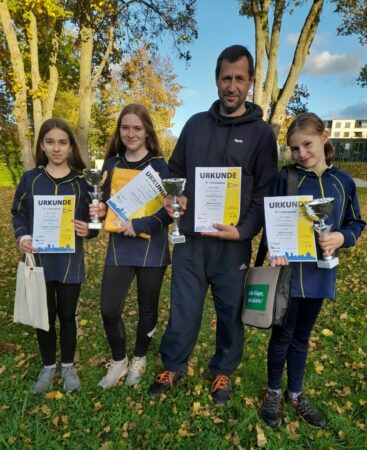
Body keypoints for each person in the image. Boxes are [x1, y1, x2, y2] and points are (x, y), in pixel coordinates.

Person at [148, 45, 278, 405]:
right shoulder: (195, 125)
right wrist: (177, 197)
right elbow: (175, 172)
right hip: (190, 238)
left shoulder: (262, 135)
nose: (231, 86)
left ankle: (223, 370)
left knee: (229, 311)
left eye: (239, 78)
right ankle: (172, 365)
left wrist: (245, 230)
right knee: (183, 306)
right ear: (216, 80)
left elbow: (264, 192)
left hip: (233, 242)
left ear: (250, 82)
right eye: (225, 78)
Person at [259, 112, 366, 428]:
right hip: (288, 275)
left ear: (324, 138)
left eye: (307, 144)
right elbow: (271, 221)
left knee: (302, 337)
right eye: (294, 148)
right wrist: (272, 251)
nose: (301, 153)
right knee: (282, 336)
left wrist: (342, 237)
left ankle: (295, 394)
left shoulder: (343, 182)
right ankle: (273, 393)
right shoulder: (285, 178)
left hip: (320, 274)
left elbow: (356, 223)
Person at [11, 118, 96, 394]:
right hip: (39, 262)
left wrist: (88, 230)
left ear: (71, 146)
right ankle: (48, 367)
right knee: (43, 316)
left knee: (68, 316)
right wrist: (23, 236)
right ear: (42, 146)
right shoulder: (31, 179)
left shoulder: (82, 183)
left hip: (70, 263)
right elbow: (18, 213)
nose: (56, 148)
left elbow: (92, 224)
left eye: (62, 142)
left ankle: (68, 365)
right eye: (50, 142)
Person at [91, 103, 171, 388]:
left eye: (137, 128)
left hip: (153, 249)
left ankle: (139, 357)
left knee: (147, 308)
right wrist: (100, 209)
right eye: (125, 127)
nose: (131, 133)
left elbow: (168, 212)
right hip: (119, 248)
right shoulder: (111, 165)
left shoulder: (161, 166)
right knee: (109, 308)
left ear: (147, 131)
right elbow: (103, 201)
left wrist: (141, 225)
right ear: (119, 130)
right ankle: (118, 360)